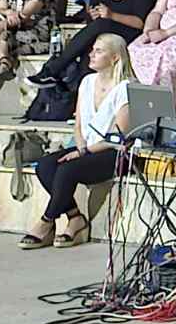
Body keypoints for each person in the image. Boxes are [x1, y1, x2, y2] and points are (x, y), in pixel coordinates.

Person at [17, 34, 131, 250]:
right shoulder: (87, 82)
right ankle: (75, 217)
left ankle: (46, 221)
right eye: (93, 50)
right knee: (45, 165)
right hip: (86, 147)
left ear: (115, 57)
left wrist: (84, 152)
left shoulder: (125, 88)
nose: (91, 55)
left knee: (67, 169)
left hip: (112, 151)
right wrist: (80, 147)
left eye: (99, 51)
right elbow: (78, 124)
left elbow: (118, 136)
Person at [27, 0, 157, 88]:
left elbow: (141, 23)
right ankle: (75, 92)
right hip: (104, 33)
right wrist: (93, 15)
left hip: (132, 33)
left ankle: (53, 69)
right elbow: (93, 19)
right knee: (89, 52)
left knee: (101, 25)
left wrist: (112, 15)